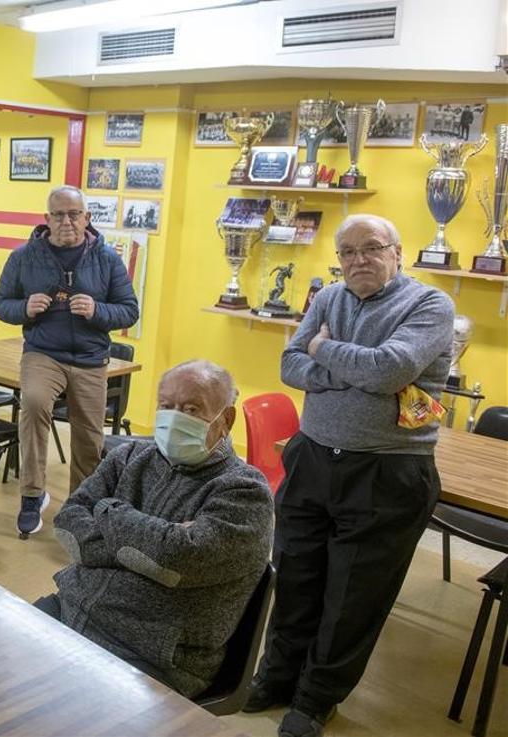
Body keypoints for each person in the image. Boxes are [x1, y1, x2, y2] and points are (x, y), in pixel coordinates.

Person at [247, 214, 453, 737]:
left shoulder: (429, 305)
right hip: (313, 457)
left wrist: (322, 349)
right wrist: (351, 371)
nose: (359, 259)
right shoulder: (328, 299)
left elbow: (389, 369)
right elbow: (288, 365)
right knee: (294, 575)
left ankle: (315, 700)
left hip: (388, 471)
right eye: (348, 252)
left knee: (352, 597)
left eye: (371, 248)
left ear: (397, 251)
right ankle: (274, 677)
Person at [36, 360, 273, 697]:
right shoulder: (130, 456)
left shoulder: (244, 491)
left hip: (154, 656)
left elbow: (175, 560)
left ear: (226, 419)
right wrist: (153, 545)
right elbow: (69, 528)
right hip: (72, 610)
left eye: (192, 409)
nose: (175, 417)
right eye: (166, 406)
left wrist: (106, 510)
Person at [0, 185, 139, 537]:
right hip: (44, 352)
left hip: (91, 358)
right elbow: (1, 304)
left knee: (89, 437)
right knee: (34, 403)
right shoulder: (24, 257)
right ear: (46, 220)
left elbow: (130, 310)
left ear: (87, 219)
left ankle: (81, 505)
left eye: (74, 214)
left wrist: (97, 310)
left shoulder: (107, 259)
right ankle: (32, 494)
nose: (66, 221)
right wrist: (24, 307)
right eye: (58, 214)